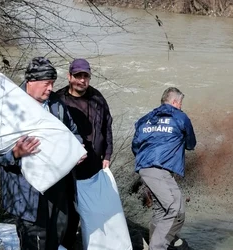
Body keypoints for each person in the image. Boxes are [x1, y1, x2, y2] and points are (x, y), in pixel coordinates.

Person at [0, 57, 85, 250]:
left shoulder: (56, 105)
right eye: (46, 83)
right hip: (27, 193)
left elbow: (73, 132)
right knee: (34, 242)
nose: (50, 88)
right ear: (31, 82)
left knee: (56, 236)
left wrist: (77, 149)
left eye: (52, 83)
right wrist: (16, 154)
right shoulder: (9, 107)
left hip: (57, 189)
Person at [56, 58, 126, 249]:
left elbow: (107, 126)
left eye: (85, 76)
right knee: (67, 213)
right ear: (69, 76)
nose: (82, 80)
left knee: (96, 210)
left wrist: (108, 155)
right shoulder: (58, 100)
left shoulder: (97, 98)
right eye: (78, 76)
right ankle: (66, 244)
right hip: (67, 167)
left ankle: (97, 244)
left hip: (94, 164)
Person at [131, 87, 197, 250]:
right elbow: (191, 144)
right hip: (160, 169)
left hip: (144, 168)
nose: (181, 106)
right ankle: (158, 246)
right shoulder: (180, 117)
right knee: (176, 209)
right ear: (175, 102)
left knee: (161, 209)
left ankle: (154, 240)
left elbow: (135, 146)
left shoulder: (145, 119)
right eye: (180, 103)